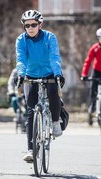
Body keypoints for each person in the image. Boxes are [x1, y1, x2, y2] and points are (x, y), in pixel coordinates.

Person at [15, 9, 65, 162]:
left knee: (53, 94)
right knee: (30, 111)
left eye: (33, 25)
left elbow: (54, 56)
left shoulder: (50, 37)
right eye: (27, 25)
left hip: (50, 73)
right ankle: (31, 150)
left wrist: (57, 73)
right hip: (30, 75)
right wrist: (21, 75)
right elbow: (21, 59)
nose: (30, 28)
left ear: (40, 24)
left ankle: (55, 121)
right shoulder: (21, 40)